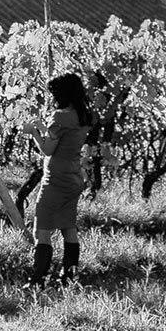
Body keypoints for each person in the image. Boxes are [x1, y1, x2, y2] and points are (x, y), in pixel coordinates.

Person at [22, 72, 96, 286]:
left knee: (41, 230)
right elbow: (64, 138)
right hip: (73, 178)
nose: (52, 97)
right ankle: (68, 276)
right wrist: (45, 128)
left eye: (54, 93)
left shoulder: (60, 116)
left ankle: (37, 280)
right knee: (68, 227)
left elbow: (47, 149)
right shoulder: (84, 116)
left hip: (54, 180)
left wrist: (33, 131)